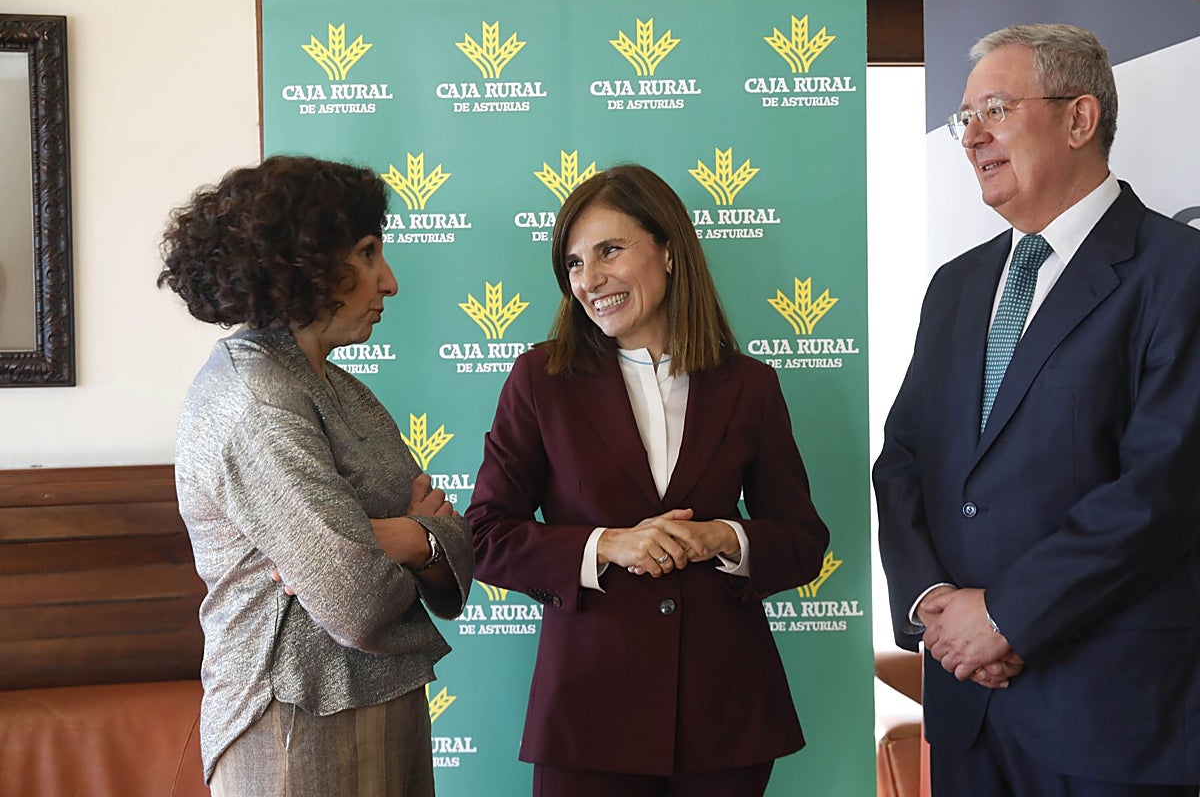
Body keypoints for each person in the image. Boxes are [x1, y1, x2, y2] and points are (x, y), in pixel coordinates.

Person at [874, 24, 1200, 795]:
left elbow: (1161, 488)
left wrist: (1007, 616)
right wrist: (932, 605)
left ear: (1080, 118)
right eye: (963, 119)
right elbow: (905, 460)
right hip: (967, 712)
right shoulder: (955, 286)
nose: (971, 137)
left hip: (1108, 717)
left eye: (994, 109)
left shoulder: (1179, 273)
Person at [465, 163, 830, 796]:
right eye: (574, 263)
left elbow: (802, 540)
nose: (590, 279)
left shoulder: (749, 385)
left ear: (668, 249)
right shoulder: (540, 381)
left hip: (726, 718)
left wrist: (723, 538)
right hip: (587, 716)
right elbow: (485, 536)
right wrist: (607, 545)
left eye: (610, 250)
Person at [158, 155, 474, 796]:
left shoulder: (339, 387)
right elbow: (356, 599)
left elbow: (455, 553)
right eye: (367, 254)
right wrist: (411, 541)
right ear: (303, 262)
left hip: (387, 703)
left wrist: (403, 538)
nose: (389, 282)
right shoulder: (257, 399)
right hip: (292, 719)